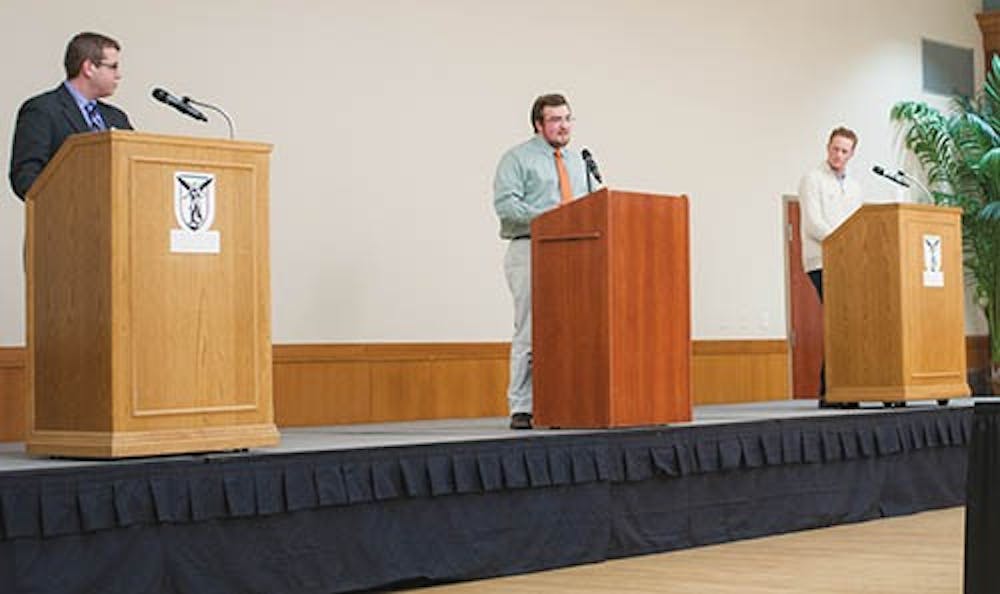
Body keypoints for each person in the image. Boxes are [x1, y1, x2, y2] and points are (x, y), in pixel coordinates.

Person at [493, 93, 590, 430]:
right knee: (531, 329)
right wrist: (553, 220)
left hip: (574, 253)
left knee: (574, 328)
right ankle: (522, 405)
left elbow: (591, 208)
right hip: (530, 249)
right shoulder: (517, 159)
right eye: (555, 120)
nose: (563, 126)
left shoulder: (580, 161)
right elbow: (507, 209)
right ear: (538, 124)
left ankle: (566, 398)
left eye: (567, 119)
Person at [9, 31, 133, 200]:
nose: (119, 75)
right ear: (89, 68)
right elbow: (26, 176)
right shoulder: (42, 110)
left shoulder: (117, 117)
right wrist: (68, 202)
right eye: (113, 67)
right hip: (66, 219)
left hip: (117, 220)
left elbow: (134, 168)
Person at [798, 126, 863, 408]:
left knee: (849, 324)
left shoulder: (856, 186)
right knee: (838, 322)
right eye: (834, 148)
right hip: (822, 261)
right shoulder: (812, 179)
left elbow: (859, 223)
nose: (838, 155)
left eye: (844, 151)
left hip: (849, 262)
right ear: (828, 147)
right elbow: (813, 223)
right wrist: (841, 243)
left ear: (852, 154)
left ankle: (844, 388)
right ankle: (830, 391)